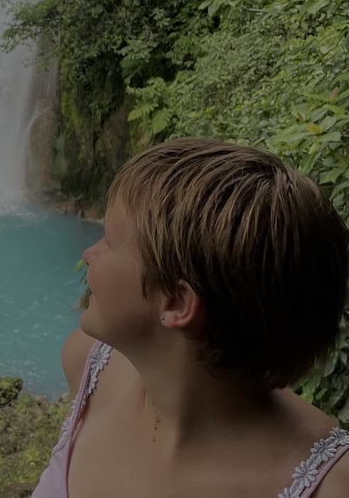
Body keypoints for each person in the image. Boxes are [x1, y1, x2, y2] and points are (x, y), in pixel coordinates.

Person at [31, 138, 349, 497]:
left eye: (108, 241)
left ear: (176, 304)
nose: (89, 253)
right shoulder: (86, 362)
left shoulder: (332, 486)